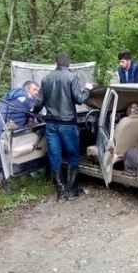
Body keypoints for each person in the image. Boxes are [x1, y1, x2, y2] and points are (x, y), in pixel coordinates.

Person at [32, 53, 93, 201]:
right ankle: (72, 189)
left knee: (55, 156)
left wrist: (32, 113)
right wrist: (88, 89)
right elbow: (79, 100)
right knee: (73, 155)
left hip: (51, 125)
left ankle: (61, 193)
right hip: (68, 124)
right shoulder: (72, 77)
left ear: (55, 64)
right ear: (69, 64)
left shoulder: (46, 79)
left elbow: (38, 104)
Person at [0, 81, 40, 191]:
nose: (37, 92)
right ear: (27, 89)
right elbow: (37, 115)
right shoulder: (26, 98)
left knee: (5, 156)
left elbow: (26, 116)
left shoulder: (15, 96)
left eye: (38, 90)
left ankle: (1, 184)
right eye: (34, 89)